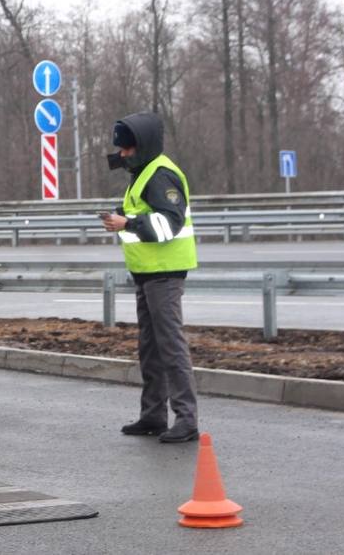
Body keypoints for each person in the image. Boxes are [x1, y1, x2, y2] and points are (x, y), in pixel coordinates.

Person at [100, 112, 200, 444]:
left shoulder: (160, 175)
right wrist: (124, 216)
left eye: (127, 149)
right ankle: (154, 415)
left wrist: (126, 224)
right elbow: (146, 214)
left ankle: (186, 420)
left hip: (165, 274)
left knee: (170, 347)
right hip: (147, 274)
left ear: (142, 146)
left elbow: (168, 224)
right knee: (151, 348)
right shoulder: (143, 173)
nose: (123, 155)